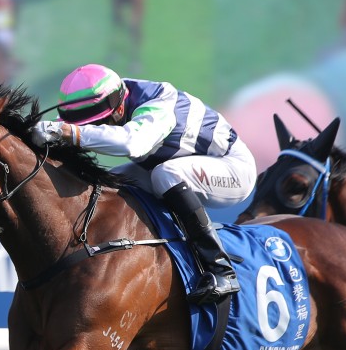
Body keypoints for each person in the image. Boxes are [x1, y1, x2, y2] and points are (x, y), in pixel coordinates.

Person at [30, 64, 256, 304]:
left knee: (166, 174)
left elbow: (132, 144)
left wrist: (70, 133)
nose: (95, 128)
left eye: (99, 122)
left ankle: (221, 268)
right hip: (173, 165)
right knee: (110, 183)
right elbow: (61, 129)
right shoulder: (102, 97)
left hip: (233, 169)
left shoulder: (157, 104)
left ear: (117, 108)